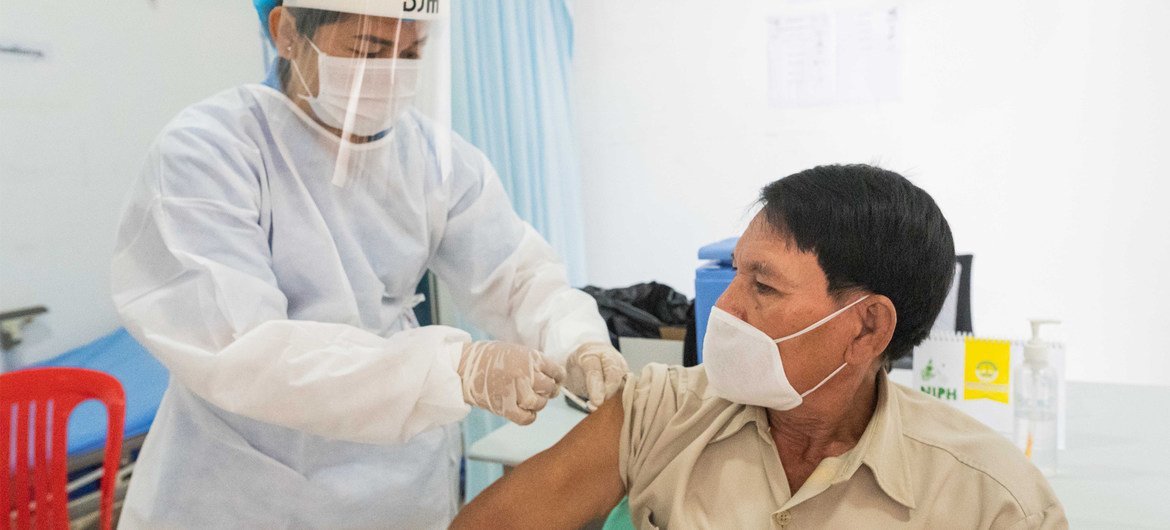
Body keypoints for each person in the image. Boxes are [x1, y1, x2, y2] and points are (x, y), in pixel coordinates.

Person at [109, 1, 627, 527]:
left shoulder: (431, 157)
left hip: (399, 489)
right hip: (245, 493)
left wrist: (576, 338)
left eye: (412, 51)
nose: (392, 73)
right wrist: (457, 368)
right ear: (287, 32)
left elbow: (516, 277)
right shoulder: (209, 151)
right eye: (368, 50)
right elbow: (243, 349)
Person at [452, 164, 1068, 529]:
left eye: (763, 285)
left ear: (868, 328)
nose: (724, 308)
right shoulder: (659, 412)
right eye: (734, 274)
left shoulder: (989, 500)